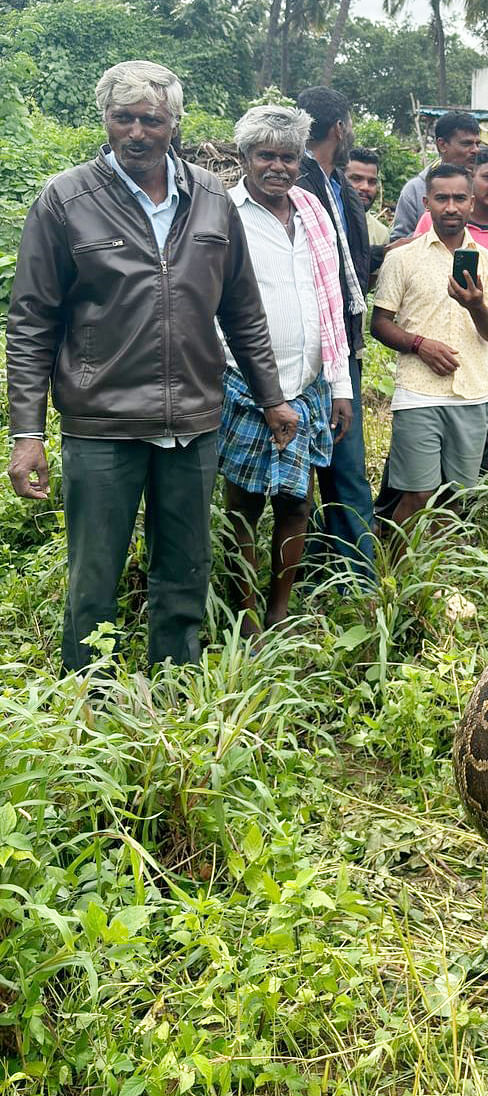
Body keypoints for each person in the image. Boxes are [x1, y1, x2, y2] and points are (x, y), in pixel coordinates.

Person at [5, 60, 297, 671]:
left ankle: (175, 686)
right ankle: (88, 698)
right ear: (105, 120)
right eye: (123, 118)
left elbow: (242, 308)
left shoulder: (212, 200)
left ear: (175, 124)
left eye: (151, 120)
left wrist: (272, 396)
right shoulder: (65, 201)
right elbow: (31, 322)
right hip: (101, 420)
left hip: (194, 418)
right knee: (94, 576)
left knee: (186, 569)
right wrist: (26, 434)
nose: (137, 132)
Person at [219, 106, 353, 636]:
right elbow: (209, 303)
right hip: (244, 382)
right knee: (244, 503)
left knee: (297, 502)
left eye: (288, 157)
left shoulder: (314, 211)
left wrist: (339, 384)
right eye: (265, 156)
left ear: (301, 160)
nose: (278, 167)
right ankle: (245, 614)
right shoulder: (223, 213)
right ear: (245, 158)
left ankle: (280, 611)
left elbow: (330, 301)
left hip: (308, 384)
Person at [369, 164, 488, 529]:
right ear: (426, 202)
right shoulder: (402, 258)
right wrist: (419, 344)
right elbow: (379, 324)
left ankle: (439, 581)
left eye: (459, 198)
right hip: (419, 394)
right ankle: (397, 578)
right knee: (416, 495)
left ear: (471, 202)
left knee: (454, 500)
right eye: (442, 198)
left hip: (473, 395)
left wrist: (475, 304)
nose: (451, 207)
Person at [294, 86, 377, 586]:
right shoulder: (294, 181)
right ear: (338, 129)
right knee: (307, 471)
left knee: (345, 466)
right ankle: (316, 572)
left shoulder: (340, 186)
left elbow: (351, 265)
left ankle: (354, 578)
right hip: (304, 350)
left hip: (344, 345)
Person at [411, 147, 488, 473]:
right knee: (427, 450)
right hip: (439, 360)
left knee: (480, 452)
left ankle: (469, 520)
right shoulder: (431, 222)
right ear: (471, 179)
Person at [389, 111, 480, 239]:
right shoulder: (415, 190)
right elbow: (398, 241)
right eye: (467, 144)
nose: (475, 150)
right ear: (442, 145)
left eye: (477, 144)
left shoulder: (485, 186)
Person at [344, 146, 390, 246]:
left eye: (372, 182)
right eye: (356, 179)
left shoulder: (381, 234)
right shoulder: (325, 222)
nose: (365, 187)